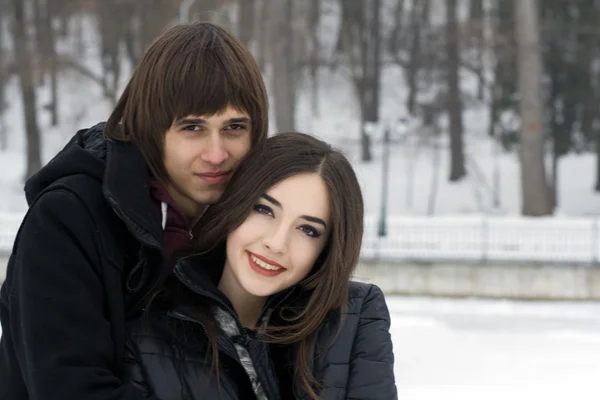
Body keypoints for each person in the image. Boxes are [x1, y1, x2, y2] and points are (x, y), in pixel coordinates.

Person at [0, 22, 269, 399]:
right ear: (150, 129)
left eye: (234, 127)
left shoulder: (254, 228)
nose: (216, 153)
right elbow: (72, 388)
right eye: (192, 127)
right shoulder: (66, 220)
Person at [124, 132, 397, 399]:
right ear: (234, 204)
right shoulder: (146, 328)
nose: (277, 243)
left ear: (326, 249)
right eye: (264, 210)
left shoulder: (354, 316)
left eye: (307, 230)